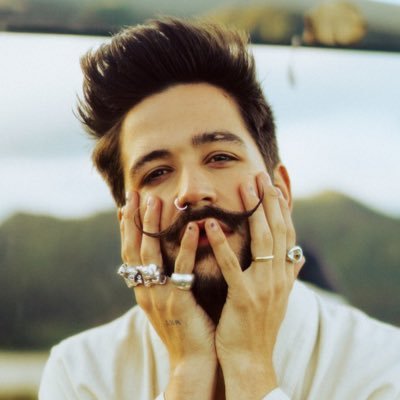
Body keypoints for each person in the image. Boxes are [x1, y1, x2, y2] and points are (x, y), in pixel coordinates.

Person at [39, 17, 400, 400]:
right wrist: (188, 372)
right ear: (127, 222)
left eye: (220, 157)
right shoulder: (81, 375)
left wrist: (249, 365)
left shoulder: (384, 364)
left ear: (281, 191)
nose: (192, 192)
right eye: (157, 172)